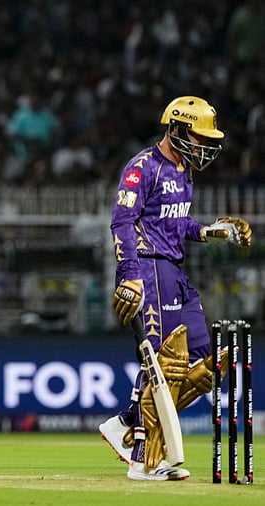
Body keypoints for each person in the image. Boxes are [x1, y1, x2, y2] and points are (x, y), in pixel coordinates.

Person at [100, 96, 252, 480]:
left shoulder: (184, 170)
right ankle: (143, 458)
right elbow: (123, 222)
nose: (204, 146)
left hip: (176, 271)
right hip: (149, 268)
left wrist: (213, 232)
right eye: (199, 137)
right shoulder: (143, 168)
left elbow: (178, 224)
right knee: (164, 363)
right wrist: (129, 273)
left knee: (208, 364)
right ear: (177, 129)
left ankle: (125, 423)